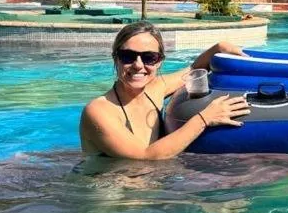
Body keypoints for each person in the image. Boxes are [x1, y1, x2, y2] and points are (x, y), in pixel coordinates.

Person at [80, 21, 250, 160]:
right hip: (110, 196)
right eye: (128, 56)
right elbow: (144, 157)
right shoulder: (99, 111)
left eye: (149, 58)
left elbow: (192, 70)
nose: (138, 65)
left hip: (152, 188)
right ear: (115, 58)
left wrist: (218, 48)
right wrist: (205, 118)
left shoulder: (155, 89)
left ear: (159, 61)